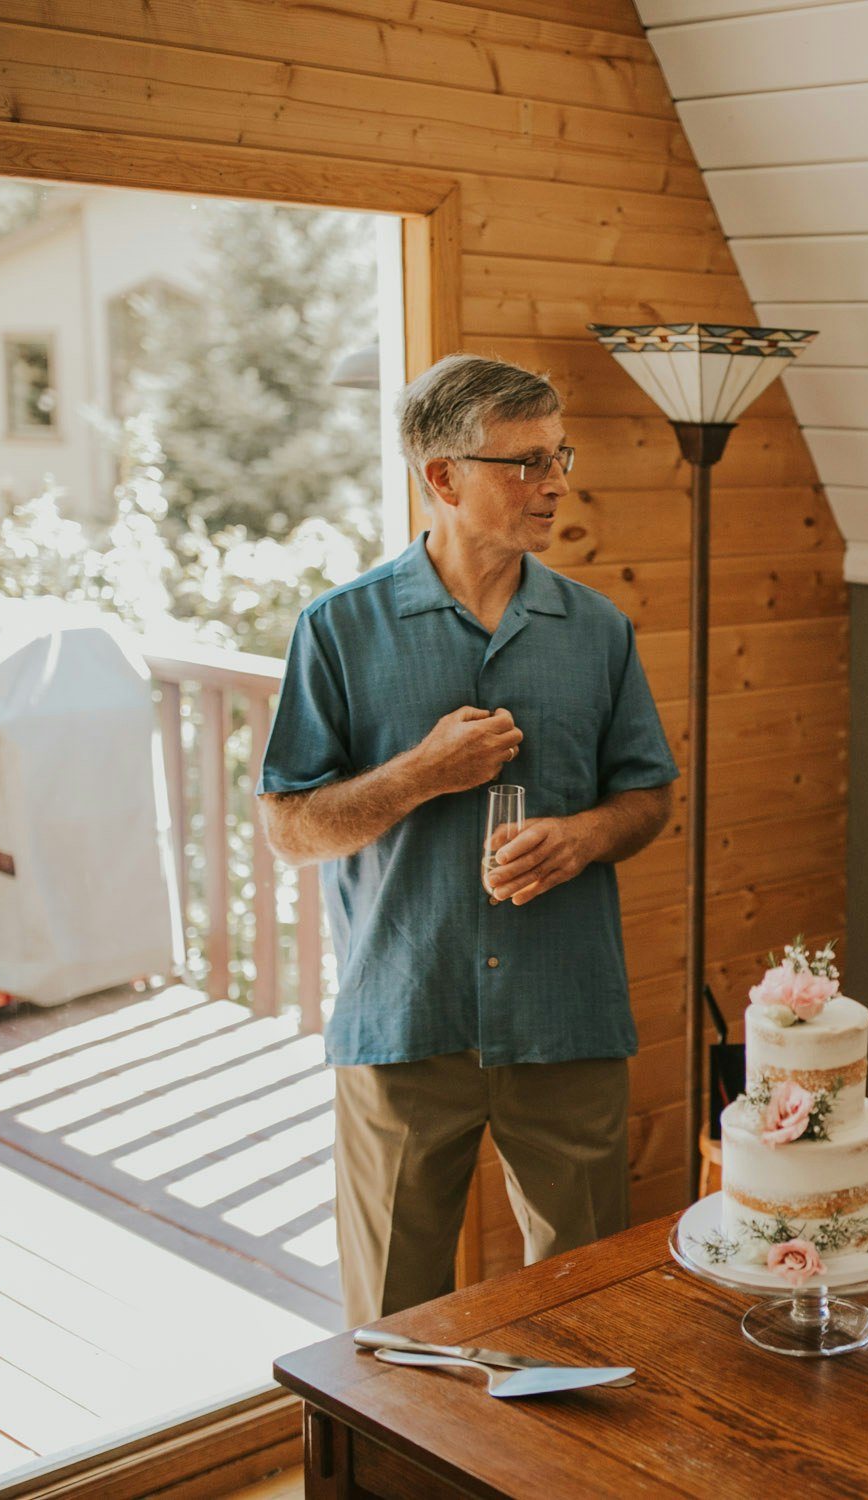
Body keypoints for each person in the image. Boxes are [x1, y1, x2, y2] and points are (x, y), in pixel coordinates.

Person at [258, 354, 678, 1327]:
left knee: (586, 1319)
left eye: (557, 455)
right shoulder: (336, 631)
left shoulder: (598, 630)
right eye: (526, 462)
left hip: (566, 1019)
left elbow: (649, 795)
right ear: (443, 478)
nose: (557, 482)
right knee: (393, 1334)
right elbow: (289, 828)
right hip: (403, 1020)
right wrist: (420, 774)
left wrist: (582, 837)